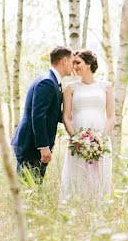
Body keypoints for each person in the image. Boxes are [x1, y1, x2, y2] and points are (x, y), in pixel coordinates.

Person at [11, 46, 73, 182]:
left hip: (33, 142)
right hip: (31, 144)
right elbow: (38, 116)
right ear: (64, 61)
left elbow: (53, 113)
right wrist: (43, 147)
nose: (73, 66)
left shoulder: (51, 81)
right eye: (71, 61)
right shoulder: (47, 82)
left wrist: (76, 116)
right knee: (27, 186)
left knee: (33, 185)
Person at [60, 49, 114, 202]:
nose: (74, 66)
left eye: (78, 63)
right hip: (78, 141)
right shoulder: (70, 88)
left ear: (88, 64)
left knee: (100, 175)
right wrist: (77, 140)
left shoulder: (106, 86)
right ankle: (76, 209)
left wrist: (101, 139)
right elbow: (66, 117)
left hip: (101, 141)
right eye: (73, 63)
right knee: (77, 175)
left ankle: (98, 208)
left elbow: (111, 116)